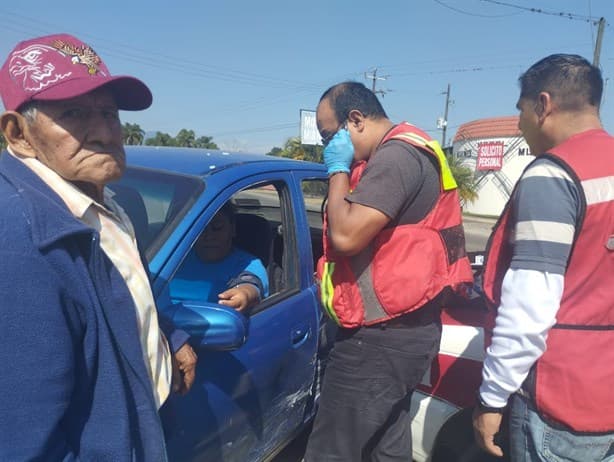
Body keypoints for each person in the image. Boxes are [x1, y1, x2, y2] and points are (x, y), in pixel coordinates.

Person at [0, 33, 197, 460]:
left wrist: (168, 335)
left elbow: (113, 292)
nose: (106, 132)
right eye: (73, 113)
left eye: (109, 112)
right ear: (18, 134)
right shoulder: (22, 240)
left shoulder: (96, 199)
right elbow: (24, 442)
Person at [304, 81, 473, 461]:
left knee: (330, 452)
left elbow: (345, 236)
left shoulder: (396, 158)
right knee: (388, 446)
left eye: (329, 135)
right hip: (404, 333)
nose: (326, 145)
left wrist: (337, 169)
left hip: (378, 341)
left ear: (356, 120)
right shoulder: (410, 150)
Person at [473, 54, 614, 461]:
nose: (519, 124)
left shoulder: (553, 175)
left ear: (543, 105)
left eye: (521, 111)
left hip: (561, 404)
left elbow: (529, 308)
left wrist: (492, 399)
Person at [170, 202, 269, 311]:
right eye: (200, 229)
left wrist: (243, 295)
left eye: (217, 227)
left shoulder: (248, 264)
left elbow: (250, 285)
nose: (208, 236)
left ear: (232, 229)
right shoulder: (173, 258)